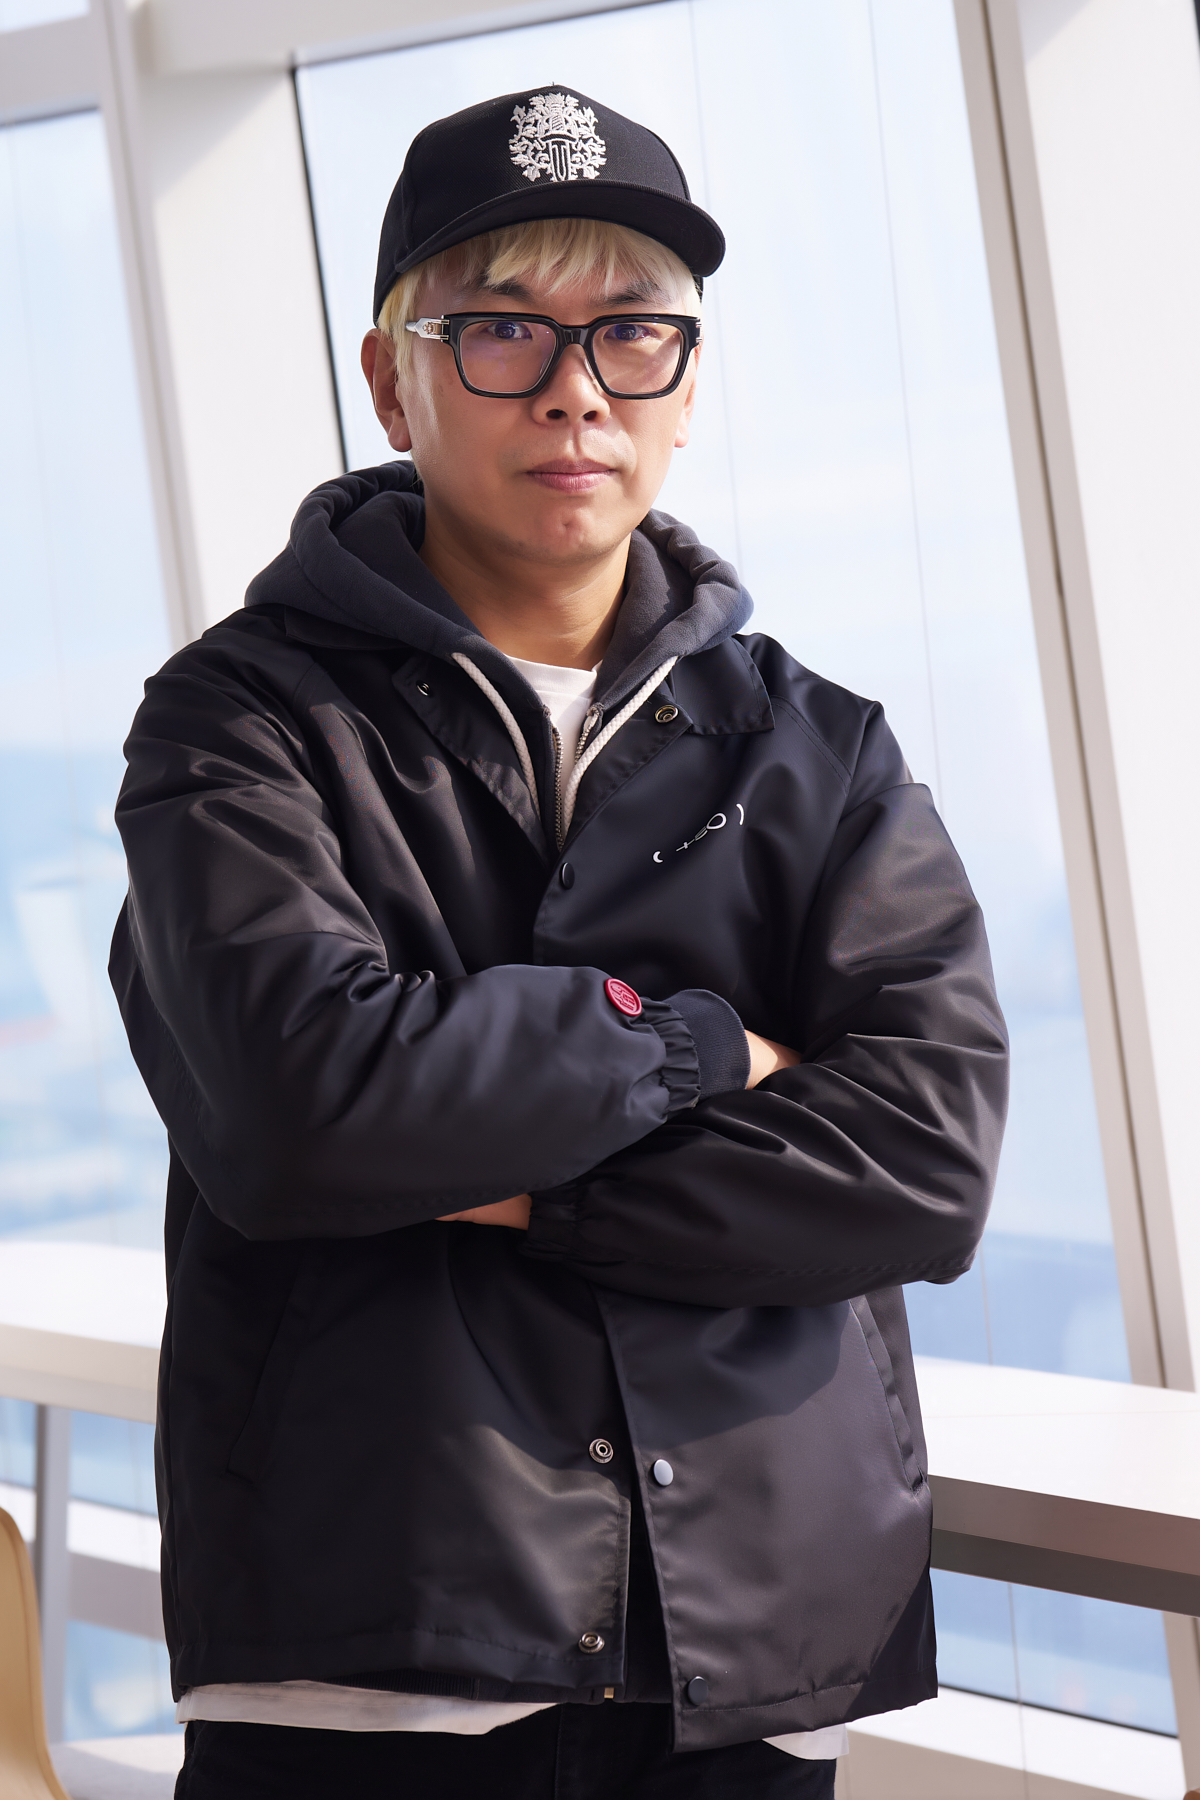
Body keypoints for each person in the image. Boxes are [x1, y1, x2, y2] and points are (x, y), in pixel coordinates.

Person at [110, 87, 1008, 1800]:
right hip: (378, 1638)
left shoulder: (820, 750)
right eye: (505, 329)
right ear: (396, 382)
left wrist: (508, 1168)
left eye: (633, 334)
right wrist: (698, 1048)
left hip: (752, 1652)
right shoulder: (240, 720)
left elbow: (924, 1164)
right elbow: (300, 1110)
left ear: (687, 383)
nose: (577, 389)